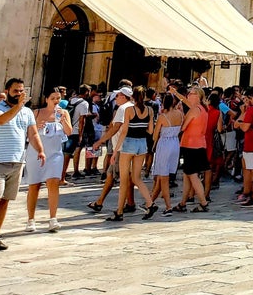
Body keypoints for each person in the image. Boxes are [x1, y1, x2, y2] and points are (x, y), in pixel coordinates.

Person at [0, 78, 45, 251]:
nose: (19, 94)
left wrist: (41, 150)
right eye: (16, 91)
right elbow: (1, 121)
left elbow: (33, 133)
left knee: (5, 200)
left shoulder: (27, 112)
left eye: (22, 91)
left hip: (16, 160)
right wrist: (18, 106)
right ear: (7, 91)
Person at [89, 87, 160, 222]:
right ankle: (150, 203)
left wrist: (115, 151)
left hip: (128, 144)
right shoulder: (150, 110)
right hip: (142, 144)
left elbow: (123, 131)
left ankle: (119, 211)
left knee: (124, 180)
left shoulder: (129, 110)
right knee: (137, 178)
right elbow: (150, 130)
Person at [22, 88, 72, 232]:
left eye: (58, 98)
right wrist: (37, 127)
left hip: (55, 153)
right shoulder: (36, 113)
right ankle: (31, 219)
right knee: (34, 185)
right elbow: (28, 133)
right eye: (53, 98)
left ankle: (53, 218)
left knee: (53, 183)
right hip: (36, 153)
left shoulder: (64, 113)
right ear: (46, 99)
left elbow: (69, 132)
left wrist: (63, 120)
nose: (56, 101)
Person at [168, 84, 210, 212]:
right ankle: (183, 203)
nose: (189, 95)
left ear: (198, 96)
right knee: (188, 175)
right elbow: (185, 101)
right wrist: (175, 93)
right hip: (200, 144)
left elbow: (183, 127)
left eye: (192, 93)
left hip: (191, 145)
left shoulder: (193, 110)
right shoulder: (202, 108)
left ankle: (203, 202)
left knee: (192, 175)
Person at [150, 93, 182, 214]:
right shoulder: (180, 114)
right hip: (175, 143)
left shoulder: (163, 116)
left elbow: (155, 135)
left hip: (165, 144)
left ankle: (168, 207)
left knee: (163, 177)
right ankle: (150, 202)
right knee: (162, 175)